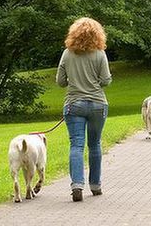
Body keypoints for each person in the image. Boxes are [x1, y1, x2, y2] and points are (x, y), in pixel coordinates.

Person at [56, 17, 112, 202]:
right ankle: (95, 185)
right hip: (97, 104)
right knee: (95, 144)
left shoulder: (67, 53)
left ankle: (77, 185)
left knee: (76, 145)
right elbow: (106, 80)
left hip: (74, 104)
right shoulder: (100, 54)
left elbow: (60, 82)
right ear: (98, 34)